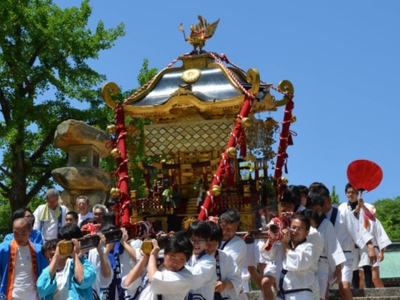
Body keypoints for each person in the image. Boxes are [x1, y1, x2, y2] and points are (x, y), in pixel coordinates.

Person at [317, 184, 376, 300]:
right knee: (323, 290)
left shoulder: (343, 212)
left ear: (329, 199)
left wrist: (370, 247)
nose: (322, 205)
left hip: (345, 256)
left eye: (324, 201)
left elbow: (357, 230)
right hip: (327, 258)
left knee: (344, 287)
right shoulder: (318, 216)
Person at [122, 231, 193, 299]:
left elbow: (153, 279)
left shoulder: (185, 277)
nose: (175, 263)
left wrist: (152, 255)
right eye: (172, 256)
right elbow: (128, 282)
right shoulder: (156, 263)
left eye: (181, 260)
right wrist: (145, 257)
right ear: (165, 253)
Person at [36, 224, 97, 299]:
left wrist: (75, 256)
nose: (50, 259)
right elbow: (41, 289)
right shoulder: (48, 272)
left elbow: (83, 280)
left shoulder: (83, 263)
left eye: (52, 255)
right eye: (47, 257)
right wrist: (56, 257)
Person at [307, 191, 346, 300]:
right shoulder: (301, 223)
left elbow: (333, 247)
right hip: (304, 266)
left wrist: (338, 269)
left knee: (321, 297)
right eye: (313, 209)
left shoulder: (326, 225)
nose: (316, 213)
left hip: (321, 266)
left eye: (318, 210)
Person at [0, 218, 48, 299]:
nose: (19, 237)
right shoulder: (3, 249)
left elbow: (47, 273)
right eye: (16, 233)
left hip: (33, 296)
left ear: (30, 231)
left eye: (23, 233)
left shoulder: (39, 250)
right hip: (11, 295)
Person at [276, 214, 319, 300]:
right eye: (293, 227)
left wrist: (284, 243)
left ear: (307, 232)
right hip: (282, 294)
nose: (295, 231)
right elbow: (267, 255)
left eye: (299, 229)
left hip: (301, 295)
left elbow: (296, 264)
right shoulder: (284, 245)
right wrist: (272, 237)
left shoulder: (309, 247)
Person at [100, 223, 141, 299]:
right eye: (108, 236)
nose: (112, 238)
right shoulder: (98, 251)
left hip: (129, 292)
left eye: (114, 235)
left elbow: (139, 259)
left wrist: (123, 242)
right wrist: (107, 249)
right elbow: (98, 269)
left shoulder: (132, 245)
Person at [206, 221, 242, 300]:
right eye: (208, 243)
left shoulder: (225, 257)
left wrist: (225, 284)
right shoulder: (193, 257)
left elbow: (237, 280)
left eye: (215, 243)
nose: (211, 247)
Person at [185, 220, 217, 300]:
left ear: (207, 240)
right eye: (193, 240)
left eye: (200, 240)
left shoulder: (209, 260)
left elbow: (195, 280)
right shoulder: (185, 256)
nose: (196, 244)